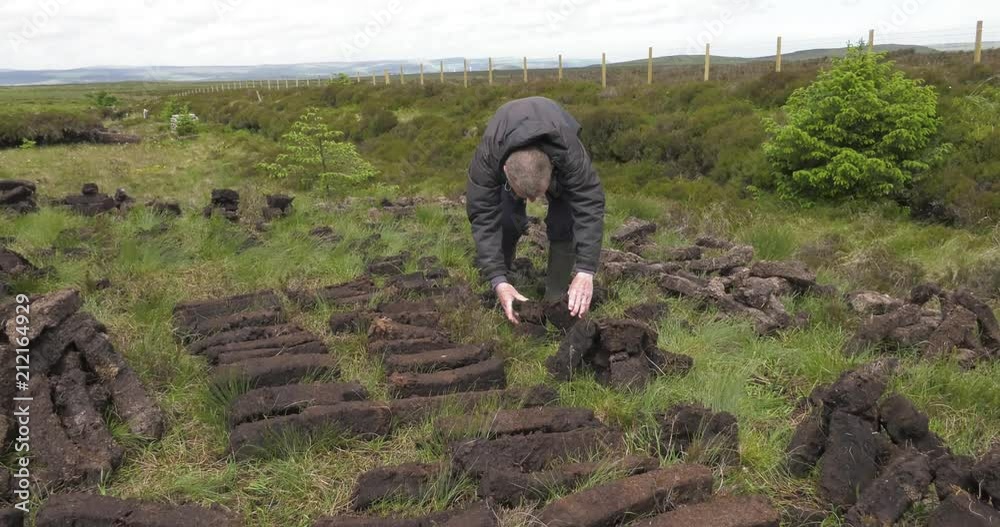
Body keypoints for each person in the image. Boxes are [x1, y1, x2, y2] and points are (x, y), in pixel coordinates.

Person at [466, 96, 606, 324]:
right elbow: (483, 216)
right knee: (505, 219)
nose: (532, 202)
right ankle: (503, 281)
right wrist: (497, 279)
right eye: (525, 197)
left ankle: (556, 296)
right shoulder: (488, 157)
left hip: (556, 131)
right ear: (504, 171)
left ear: (553, 166)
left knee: (565, 221)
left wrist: (586, 270)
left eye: (538, 195)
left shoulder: (569, 153)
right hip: (506, 146)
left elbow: (589, 203)